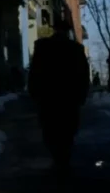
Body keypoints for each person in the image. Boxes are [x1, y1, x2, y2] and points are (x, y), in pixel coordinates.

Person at [27, 16, 91, 176]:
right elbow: (83, 73)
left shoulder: (42, 46)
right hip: (69, 95)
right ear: (68, 31)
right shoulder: (75, 49)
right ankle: (64, 157)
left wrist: (34, 91)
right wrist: (82, 94)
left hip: (48, 95)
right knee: (67, 128)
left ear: (54, 29)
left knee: (50, 127)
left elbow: (35, 71)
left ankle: (57, 156)